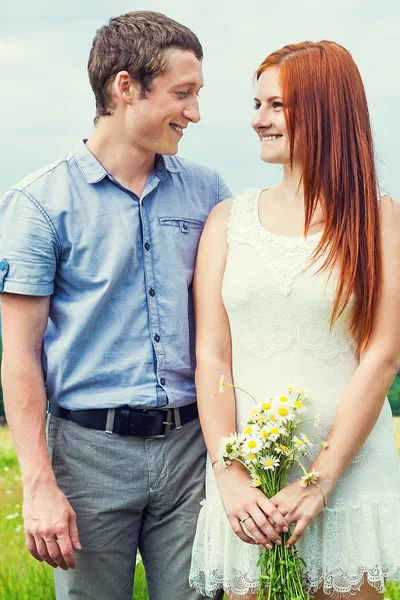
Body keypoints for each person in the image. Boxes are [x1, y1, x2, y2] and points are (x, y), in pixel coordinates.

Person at [0, 10, 230, 600]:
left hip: (190, 452)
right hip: (86, 458)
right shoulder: (37, 203)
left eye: (197, 93)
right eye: (183, 93)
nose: (195, 112)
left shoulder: (209, 193)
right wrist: (39, 485)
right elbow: (20, 355)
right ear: (125, 87)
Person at [189, 41, 400, 600]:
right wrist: (229, 475)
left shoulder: (379, 220)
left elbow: (383, 354)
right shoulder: (226, 220)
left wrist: (318, 481)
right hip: (251, 486)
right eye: (256, 104)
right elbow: (212, 355)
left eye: (276, 106)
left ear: (326, 109)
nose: (257, 120)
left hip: (346, 475)